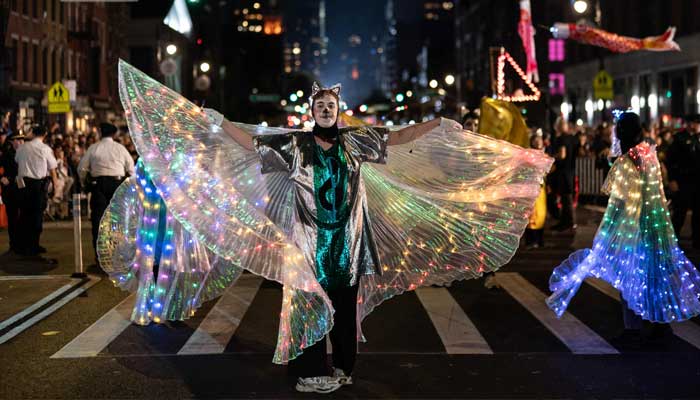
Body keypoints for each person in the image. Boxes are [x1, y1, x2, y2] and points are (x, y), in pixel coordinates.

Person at [115, 61, 553, 394]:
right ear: (311, 111)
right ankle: (307, 369)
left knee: (344, 308)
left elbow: (398, 137)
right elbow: (249, 142)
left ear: (337, 111)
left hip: (348, 240)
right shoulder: (294, 144)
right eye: (319, 106)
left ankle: (343, 369)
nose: (325, 110)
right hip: (307, 241)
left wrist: (437, 125)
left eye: (330, 106)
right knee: (307, 302)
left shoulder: (356, 141)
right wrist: (218, 123)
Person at [547, 111, 700, 341]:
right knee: (655, 276)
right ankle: (660, 325)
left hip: (632, 228)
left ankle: (633, 329)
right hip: (656, 225)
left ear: (620, 133)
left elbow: (618, 202)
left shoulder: (626, 161)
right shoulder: (650, 157)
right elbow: (658, 191)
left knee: (630, 277)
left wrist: (606, 230)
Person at [77, 122, 135, 265]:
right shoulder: (120, 148)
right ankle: (117, 252)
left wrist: (85, 183)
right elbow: (131, 168)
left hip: (99, 185)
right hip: (117, 184)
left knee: (98, 220)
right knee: (118, 219)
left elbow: (82, 168)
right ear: (114, 134)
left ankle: (100, 255)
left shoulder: (94, 148)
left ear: (100, 133)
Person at [15, 125, 58, 261]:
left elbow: (16, 160)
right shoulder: (44, 149)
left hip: (23, 185)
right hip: (37, 185)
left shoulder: (22, 148)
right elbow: (52, 168)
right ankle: (33, 245)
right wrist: (55, 185)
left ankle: (24, 246)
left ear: (33, 133)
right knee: (37, 215)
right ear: (44, 135)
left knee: (24, 214)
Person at [665, 114, 700, 249]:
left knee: (698, 214)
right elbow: (671, 160)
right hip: (683, 181)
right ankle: (672, 243)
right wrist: (672, 179)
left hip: (697, 182)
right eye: (695, 123)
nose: (697, 126)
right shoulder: (680, 138)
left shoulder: (697, 138)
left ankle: (697, 242)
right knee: (680, 213)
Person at [551, 117, 578, 232]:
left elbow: (562, 155)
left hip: (563, 172)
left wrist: (552, 158)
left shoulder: (561, 139)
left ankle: (568, 222)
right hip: (570, 171)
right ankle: (565, 221)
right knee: (567, 197)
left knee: (565, 198)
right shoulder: (572, 138)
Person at [0, 131, 26, 254]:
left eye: (22, 140)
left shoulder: (26, 154)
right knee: (12, 217)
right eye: (18, 140)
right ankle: (14, 244)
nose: (21, 142)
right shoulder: (5, 154)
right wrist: (1, 178)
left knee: (23, 217)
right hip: (10, 189)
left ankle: (22, 243)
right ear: (12, 142)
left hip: (23, 188)